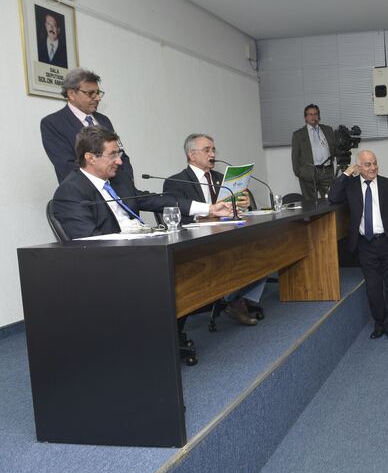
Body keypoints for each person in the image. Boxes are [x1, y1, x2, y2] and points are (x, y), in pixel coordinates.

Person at [52, 126, 231, 239]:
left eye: (119, 154)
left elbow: (155, 200)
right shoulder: (71, 192)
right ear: (90, 158)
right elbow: (90, 242)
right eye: (112, 155)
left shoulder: (119, 179)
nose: (119, 161)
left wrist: (209, 209)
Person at [163, 133, 265, 326]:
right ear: (192, 155)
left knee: (260, 245)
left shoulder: (222, 178)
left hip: (227, 233)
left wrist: (244, 204)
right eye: (207, 150)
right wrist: (208, 215)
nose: (212, 154)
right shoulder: (176, 182)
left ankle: (237, 298)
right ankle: (232, 298)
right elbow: (178, 216)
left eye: (213, 150)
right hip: (198, 239)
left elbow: (235, 210)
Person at [328, 149, 388, 341]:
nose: (373, 167)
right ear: (358, 166)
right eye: (367, 164)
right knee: (373, 288)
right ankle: (379, 323)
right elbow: (333, 197)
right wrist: (347, 173)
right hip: (366, 245)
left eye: (374, 163)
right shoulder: (351, 186)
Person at [41, 68, 131, 183]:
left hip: (118, 188)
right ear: (71, 94)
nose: (98, 98)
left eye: (98, 93)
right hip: (84, 191)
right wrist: (102, 186)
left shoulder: (104, 120)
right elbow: (66, 166)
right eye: (90, 93)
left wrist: (125, 184)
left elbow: (121, 156)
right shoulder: (53, 123)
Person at [291, 104, 335, 200]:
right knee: (310, 204)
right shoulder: (298, 134)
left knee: (330, 200)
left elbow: (334, 148)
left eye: (315, 114)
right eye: (310, 114)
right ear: (305, 117)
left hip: (327, 172)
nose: (313, 116)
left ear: (319, 116)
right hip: (308, 173)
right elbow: (295, 157)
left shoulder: (328, 130)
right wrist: (300, 173)